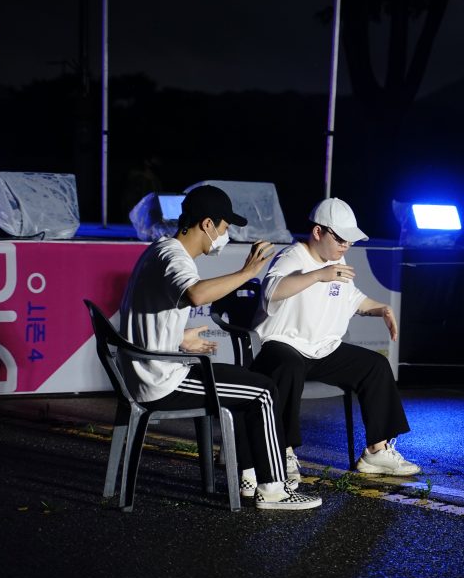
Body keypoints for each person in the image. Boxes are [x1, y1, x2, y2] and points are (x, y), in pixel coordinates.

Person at [119, 184, 322, 510]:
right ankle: (274, 490)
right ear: (207, 225)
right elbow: (196, 294)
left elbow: (148, 314)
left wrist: (178, 337)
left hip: (147, 369)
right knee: (263, 391)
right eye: (225, 228)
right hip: (161, 380)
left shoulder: (159, 250)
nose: (225, 236)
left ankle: (248, 476)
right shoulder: (174, 257)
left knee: (246, 385)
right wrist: (247, 272)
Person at [250, 197, 421, 476]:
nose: (346, 246)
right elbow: (271, 292)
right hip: (282, 344)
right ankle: (282, 451)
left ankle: (377, 451)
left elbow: (352, 298)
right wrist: (319, 275)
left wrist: (380, 308)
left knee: (375, 366)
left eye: (350, 240)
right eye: (341, 239)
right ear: (318, 232)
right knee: (289, 367)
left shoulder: (336, 259)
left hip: (322, 348)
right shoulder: (292, 257)